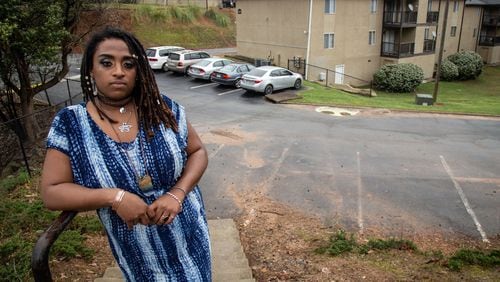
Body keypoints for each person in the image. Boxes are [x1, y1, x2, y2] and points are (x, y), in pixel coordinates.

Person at [40, 27, 211, 281]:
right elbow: (52, 192)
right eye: (106, 63)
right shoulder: (71, 124)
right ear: (90, 70)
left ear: (137, 72)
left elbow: (197, 152)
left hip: (190, 236)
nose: (118, 71)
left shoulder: (162, 109)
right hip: (139, 257)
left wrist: (177, 193)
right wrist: (115, 197)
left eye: (128, 64)